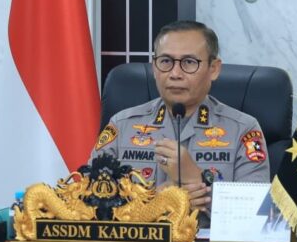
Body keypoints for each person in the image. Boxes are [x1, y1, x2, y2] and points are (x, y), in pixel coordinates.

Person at [91, 20, 270, 222]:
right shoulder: (122, 125)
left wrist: (198, 181)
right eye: (166, 61)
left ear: (213, 68)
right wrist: (156, 202)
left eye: (189, 62)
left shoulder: (243, 130)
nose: (175, 74)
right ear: (154, 67)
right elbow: (88, 201)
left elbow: (258, 217)